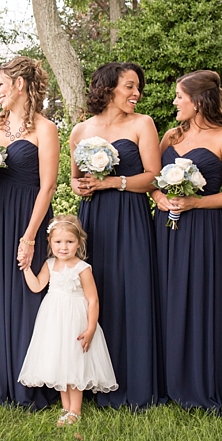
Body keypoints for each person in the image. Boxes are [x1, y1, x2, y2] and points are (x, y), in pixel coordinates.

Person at [152, 70, 222, 414]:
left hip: (202, 230)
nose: (174, 102)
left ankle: (198, 379)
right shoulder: (170, 136)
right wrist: (157, 196)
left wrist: (196, 202)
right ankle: (162, 379)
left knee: (196, 299)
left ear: (198, 102)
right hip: (164, 227)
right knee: (164, 296)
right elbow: (151, 177)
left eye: (180, 97)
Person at [69, 61, 166, 409]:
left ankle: (135, 381)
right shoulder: (80, 131)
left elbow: (153, 176)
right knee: (97, 291)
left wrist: (112, 181)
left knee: (133, 289)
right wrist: (82, 187)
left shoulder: (143, 124)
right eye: (129, 86)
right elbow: (74, 180)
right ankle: (94, 380)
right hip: (93, 219)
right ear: (108, 88)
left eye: (138, 87)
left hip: (131, 217)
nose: (136, 93)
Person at [0, 57, 59, 410]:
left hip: (29, 216)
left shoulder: (45, 128)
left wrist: (29, 237)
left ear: (19, 85)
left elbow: (49, 185)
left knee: (28, 296)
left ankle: (29, 383)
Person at [18, 215, 117, 426]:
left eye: (69, 242)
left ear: (78, 243)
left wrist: (90, 328)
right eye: (58, 242)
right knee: (60, 362)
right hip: (53, 320)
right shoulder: (50, 264)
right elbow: (37, 286)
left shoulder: (82, 268)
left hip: (76, 320)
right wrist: (26, 268)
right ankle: (65, 408)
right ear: (50, 243)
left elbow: (93, 300)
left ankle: (75, 410)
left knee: (74, 362)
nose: (64, 247)